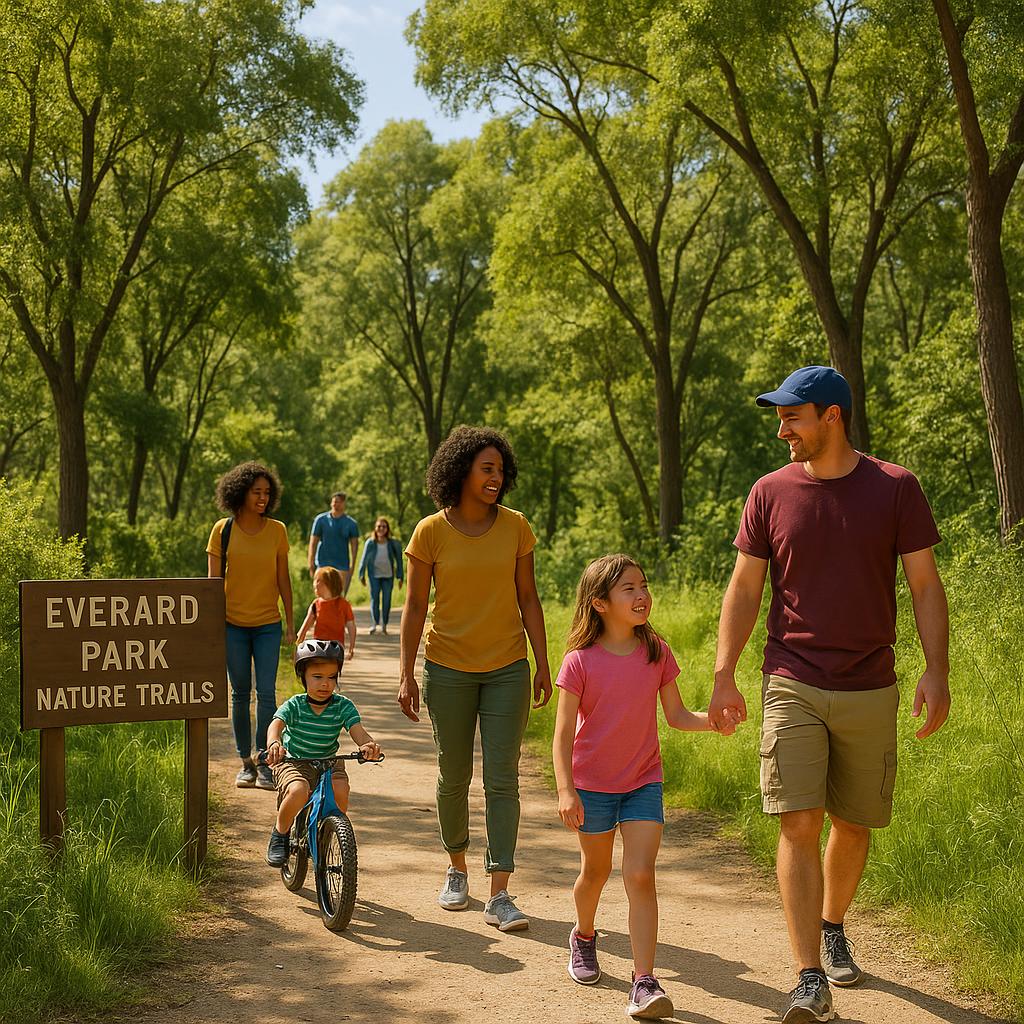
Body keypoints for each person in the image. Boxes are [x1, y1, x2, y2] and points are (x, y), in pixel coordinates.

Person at [707, 366, 951, 1023]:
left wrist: (937, 670)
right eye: (781, 419)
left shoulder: (895, 488)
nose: (782, 431)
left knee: (853, 822)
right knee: (798, 820)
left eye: (793, 417)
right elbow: (745, 587)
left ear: (832, 416)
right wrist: (725, 672)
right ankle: (808, 975)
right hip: (792, 678)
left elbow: (925, 585)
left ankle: (833, 922)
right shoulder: (769, 492)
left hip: (871, 683)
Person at [552, 554, 733, 1020]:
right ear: (599, 603)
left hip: (643, 781)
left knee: (640, 875)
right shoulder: (578, 662)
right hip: (591, 786)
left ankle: (644, 980)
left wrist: (714, 723)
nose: (641, 595)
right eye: (629, 588)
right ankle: (584, 936)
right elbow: (562, 734)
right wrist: (566, 790)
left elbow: (677, 716)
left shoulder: (656, 652)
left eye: (644, 585)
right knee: (595, 873)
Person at [398, 425, 552, 932]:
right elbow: (415, 605)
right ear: (461, 470)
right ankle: (457, 869)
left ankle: (500, 892)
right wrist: (405, 673)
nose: (496, 478)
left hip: (507, 667)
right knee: (454, 775)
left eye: (501, 470)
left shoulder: (516, 527)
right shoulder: (430, 531)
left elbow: (528, 597)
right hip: (447, 668)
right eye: (487, 469)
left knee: (503, 779)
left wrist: (542, 663)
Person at [207, 461, 295, 791]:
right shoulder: (223, 530)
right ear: (240, 492)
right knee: (240, 693)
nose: (262, 498)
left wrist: (290, 621)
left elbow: (283, 578)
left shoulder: (277, 530)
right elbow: (213, 584)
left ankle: (265, 761)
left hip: (268, 625)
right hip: (233, 626)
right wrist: (211, 626)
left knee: (267, 693)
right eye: (256, 492)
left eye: (267, 493)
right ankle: (245, 763)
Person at [264, 639, 381, 867]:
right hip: (295, 761)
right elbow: (276, 725)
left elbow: (359, 732)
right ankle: (280, 833)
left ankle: (328, 832)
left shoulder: (343, 706)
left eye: (332, 677)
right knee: (298, 790)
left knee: (340, 791)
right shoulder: (295, 705)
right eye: (317, 677)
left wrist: (368, 745)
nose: (325, 684)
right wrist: (274, 743)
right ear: (303, 676)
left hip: (329, 761)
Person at [297, 566, 356, 670]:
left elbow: (351, 626)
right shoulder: (316, 604)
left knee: (331, 672)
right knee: (321, 670)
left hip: (336, 646)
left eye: (318, 581)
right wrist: (299, 640)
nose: (314, 584)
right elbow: (306, 624)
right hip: (319, 646)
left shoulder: (343, 604)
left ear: (329, 584)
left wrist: (351, 647)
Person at [357, 516, 404, 635]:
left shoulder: (393, 543)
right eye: (379, 526)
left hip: (388, 576)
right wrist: (361, 574)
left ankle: (384, 625)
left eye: (384, 526)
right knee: (375, 599)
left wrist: (400, 576)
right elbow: (364, 559)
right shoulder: (370, 543)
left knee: (387, 600)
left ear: (387, 529)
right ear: (375, 528)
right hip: (374, 575)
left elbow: (399, 560)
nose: (381, 529)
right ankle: (374, 623)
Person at [308, 491, 360, 595]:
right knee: (321, 594)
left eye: (339, 502)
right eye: (334, 502)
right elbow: (313, 542)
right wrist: (311, 561)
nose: (336, 504)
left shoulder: (351, 524)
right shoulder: (321, 520)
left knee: (339, 595)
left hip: (342, 565)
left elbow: (354, 546)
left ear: (344, 504)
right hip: (323, 563)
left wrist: (352, 565)